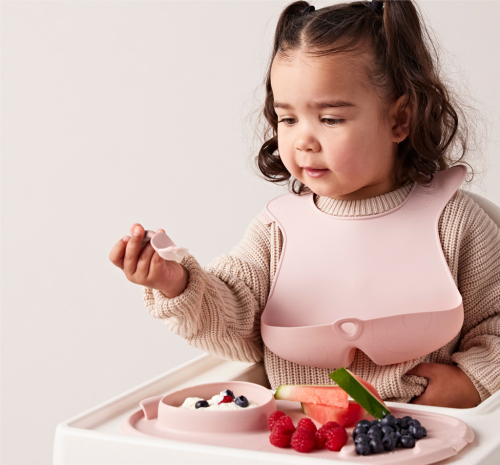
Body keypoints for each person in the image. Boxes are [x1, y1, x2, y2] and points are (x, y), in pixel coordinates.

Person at [109, 0, 500, 415]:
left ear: (399, 120)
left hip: (422, 429)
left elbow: (495, 321)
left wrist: (473, 381)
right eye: (288, 119)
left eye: (330, 119)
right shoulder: (277, 232)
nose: (303, 142)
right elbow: (235, 320)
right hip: (301, 434)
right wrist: (178, 283)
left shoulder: (456, 223)